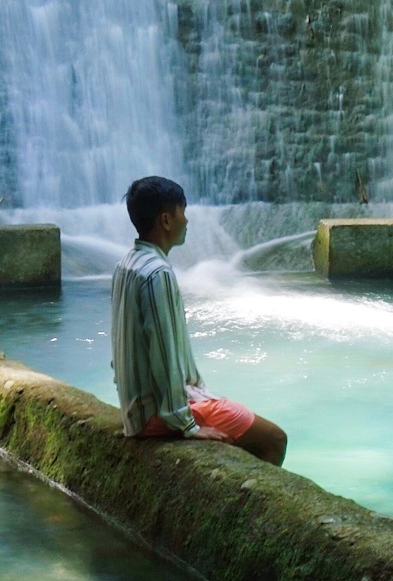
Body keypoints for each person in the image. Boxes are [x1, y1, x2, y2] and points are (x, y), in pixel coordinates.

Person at [110, 176, 287, 466]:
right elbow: (163, 355)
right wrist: (187, 425)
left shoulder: (125, 264)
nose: (188, 220)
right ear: (166, 220)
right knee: (274, 439)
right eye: (183, 211)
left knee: (232, 426)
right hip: (157, 416)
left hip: (134, 408)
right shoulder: (158, 274)